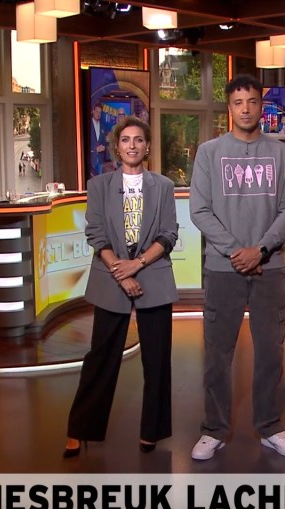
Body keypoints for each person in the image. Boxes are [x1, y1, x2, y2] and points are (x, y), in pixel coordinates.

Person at [189, 74, 285, 461]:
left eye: (252, 102)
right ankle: (214, 429)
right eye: (238, 103)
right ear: (229, 108)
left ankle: (271, 426)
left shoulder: (282, 154)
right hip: (223, 269)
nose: (246, 109)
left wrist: (262, 250)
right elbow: (200, 210)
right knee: (217, 354)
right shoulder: (209, 153)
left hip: (269, 269)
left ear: (261, 106)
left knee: (271, 351)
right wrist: (238, 251)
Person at [63, 116, 179, 458]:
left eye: (138, 139)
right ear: (117, 146)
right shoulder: (99, 185)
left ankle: (152, 430)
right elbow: (96, 233)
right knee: (101, 357)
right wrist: (121, 272)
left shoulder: (163, 186)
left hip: (153, 275)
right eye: (126, 140)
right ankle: (80, 428)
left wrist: (137, 265)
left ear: (147, 146)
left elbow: (168, 234)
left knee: (158, 359)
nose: (132, 145)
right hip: (112, 276)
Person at [89, 103, 108, 177]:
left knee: (98, 181)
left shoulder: (103, 126)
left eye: (100, 112)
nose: (98, 114)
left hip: (99, 161)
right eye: (97, 111)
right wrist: (95, 149)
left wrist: (104, 147)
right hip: (90, 160)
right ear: (93, 111)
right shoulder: (87, 125)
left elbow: (104, 143)